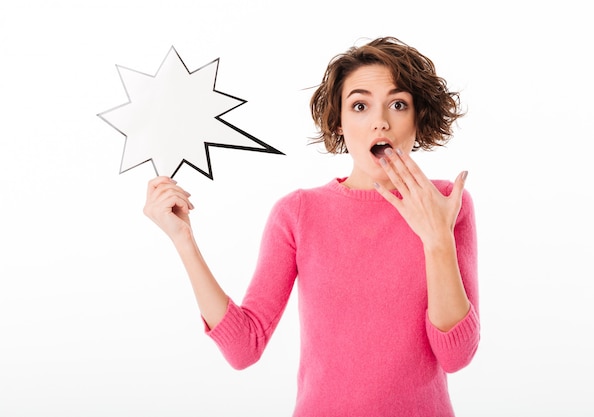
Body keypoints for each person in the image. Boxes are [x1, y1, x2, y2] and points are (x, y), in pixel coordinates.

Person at [143, 36, 479, 417]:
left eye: (398, 104)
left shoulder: (448, 204)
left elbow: (455, 357)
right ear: (339, 122)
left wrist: (437, 241)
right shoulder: (298, 213)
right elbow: (244, 348)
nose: (380, 121)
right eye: (360, 105)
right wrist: (183, 239)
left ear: (418, 117)